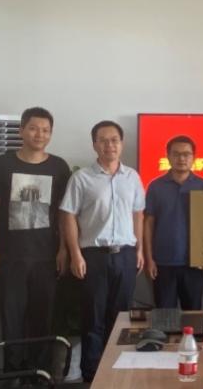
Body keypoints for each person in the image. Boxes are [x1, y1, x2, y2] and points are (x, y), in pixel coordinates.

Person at [0, 107, 72, 371]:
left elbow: (64, 213)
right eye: (33, 128)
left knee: (43, 318)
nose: (39, 134)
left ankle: (38, 373)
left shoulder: (59, 166)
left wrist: (64, 249)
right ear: (21, 130)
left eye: (45, 130)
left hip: (47, 256)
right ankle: (12, 373)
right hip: (10, 257)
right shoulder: (3, 164)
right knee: (11, 318)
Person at [59, 120, 145, 383]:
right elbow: (68, 216)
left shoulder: (132, 177)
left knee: (121, 318)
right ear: (95, 144)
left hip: (126, 255)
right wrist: (75, 254)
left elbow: (138, 214)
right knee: (93, 317)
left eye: (114, 140)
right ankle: (92, 375)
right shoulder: (81, 178)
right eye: (103, 140)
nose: (110, 145)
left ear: (122, 143)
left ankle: (117, 372)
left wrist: (139, 249)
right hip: (93, 256)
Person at [143, 135, 203, 310]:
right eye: (176, 154)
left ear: (194, 157)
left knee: (193, 313)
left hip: (194, 263)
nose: (182, 158)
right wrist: (149, 259)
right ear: (168, 157)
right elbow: (148, 224)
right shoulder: (156, 186)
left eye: (186, 154)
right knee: (164, 316)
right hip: (163, 262)